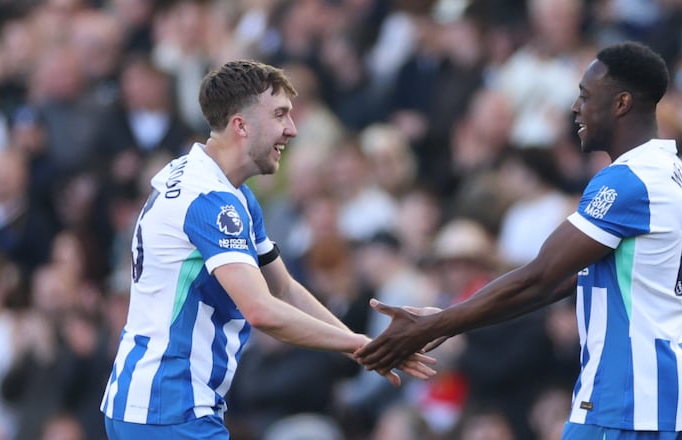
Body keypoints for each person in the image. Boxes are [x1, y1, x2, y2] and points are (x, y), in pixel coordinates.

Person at [356, 41, 682, 439]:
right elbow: (558, 282)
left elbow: (540, 275)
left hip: (624, 397)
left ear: (621, 104)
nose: (575, 108)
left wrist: (432, 326)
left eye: (586, 97)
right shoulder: (673, 172)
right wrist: (453, 320)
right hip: (658, 391)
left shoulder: (628, 181)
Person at [99, 60, 434, 440]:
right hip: (169, 408)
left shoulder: (222, 187)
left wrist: (366, 348)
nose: (291, 129)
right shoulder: (212, 202)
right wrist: (361, 343)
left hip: (148, 401)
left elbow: (284, 288)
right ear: (241, 125)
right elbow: (261, 310)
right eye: (280, 115)